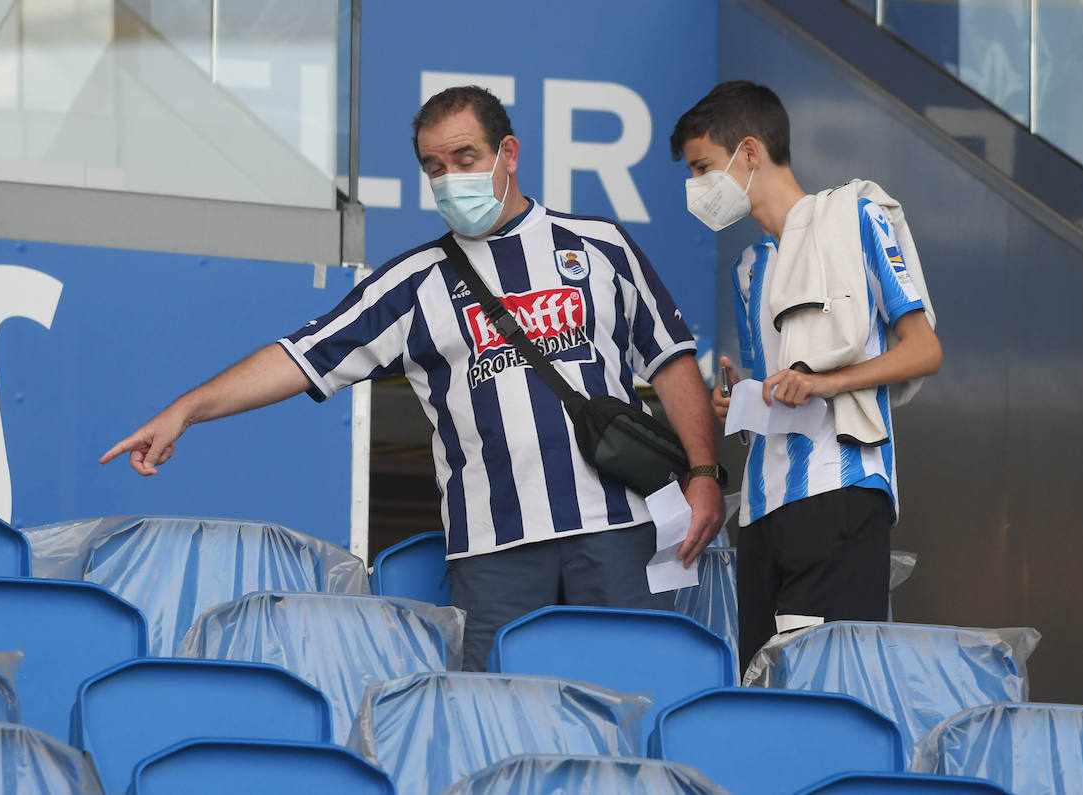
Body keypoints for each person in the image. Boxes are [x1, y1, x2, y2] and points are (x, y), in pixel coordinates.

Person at [101, 85, 725, 671]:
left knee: (632, 700)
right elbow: (300, 357)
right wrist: (185, 410)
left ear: (508, 153)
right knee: (499, 719)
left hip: (619, 528)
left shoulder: (600, 246)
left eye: (465, 156)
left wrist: (701, 474)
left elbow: (670, 361)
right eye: (435, 166)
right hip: (493, 549)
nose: (450, 177)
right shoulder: (411, 282)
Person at [669, 81, 943, 670]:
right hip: (763, 512)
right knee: (762, 681)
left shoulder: (857, 218)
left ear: (748, 152)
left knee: (826, 682)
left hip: (840, 493)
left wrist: (828, 381)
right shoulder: (748, 269)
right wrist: (740, 396)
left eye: (702, 168)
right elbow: (780, 386)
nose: (696, 191)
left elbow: (923, 349)